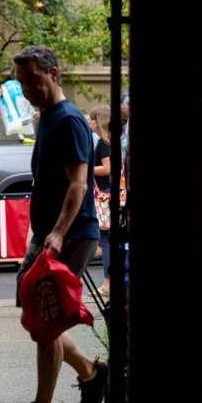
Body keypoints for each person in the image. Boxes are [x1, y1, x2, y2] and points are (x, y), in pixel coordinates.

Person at [1, 44, 107, 403]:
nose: (28, 88)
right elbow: (45, 185)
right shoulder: (44, 118)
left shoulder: (69, 120)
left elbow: (79, 185)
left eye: (34, 80)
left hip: (71, 234)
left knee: (45, 319)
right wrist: (37, 232)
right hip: (47, 235)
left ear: (54, 74)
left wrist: (58, 233)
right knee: (35, 316)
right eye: (22, 82)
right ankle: (92, 373)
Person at [89, 103, 113, 299]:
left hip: (105, 194)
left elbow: (107, 169)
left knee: (105, 240)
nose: (90, 122)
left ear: (100, 122)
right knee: (106, 240)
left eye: (92, 119)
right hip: (108, 193)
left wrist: (87, 168)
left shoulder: (103, 144)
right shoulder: (108, 142)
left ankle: (107, 284)